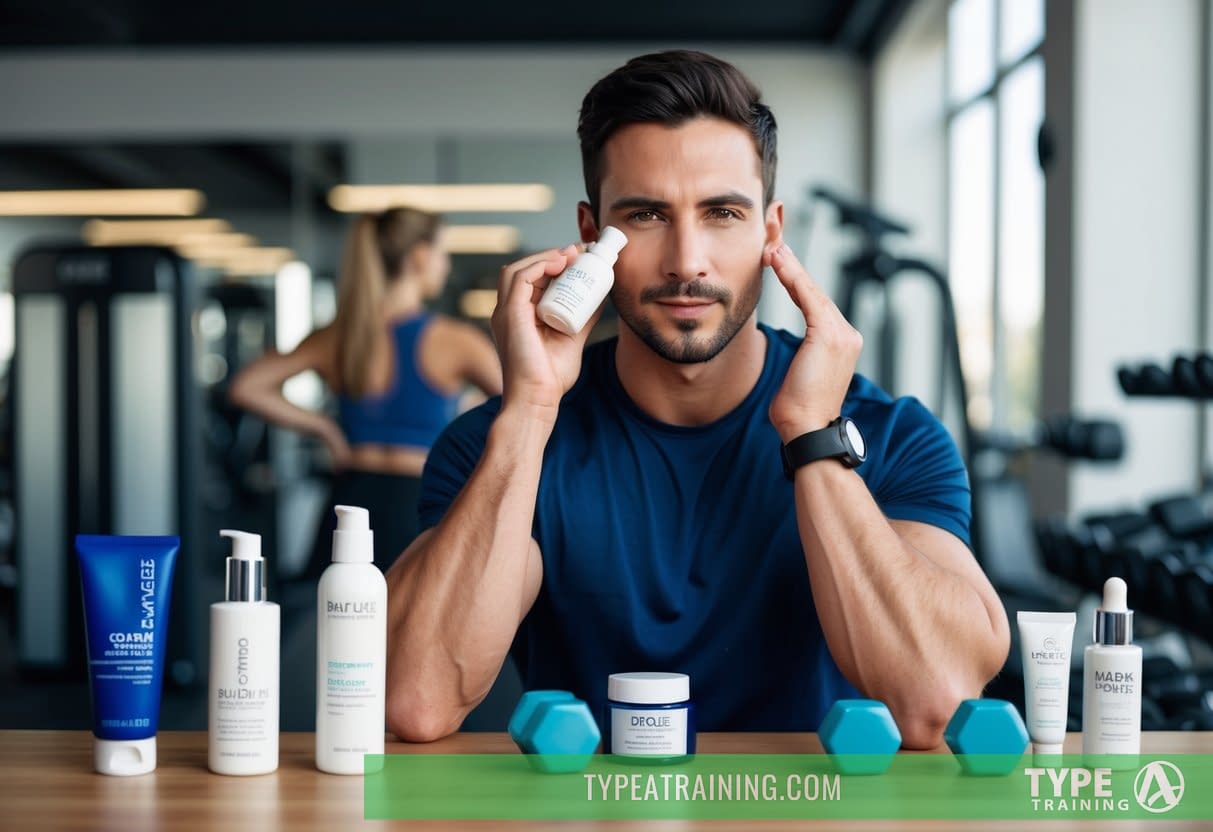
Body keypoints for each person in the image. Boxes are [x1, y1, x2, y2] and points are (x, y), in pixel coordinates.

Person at [384, 51, 1010, 748]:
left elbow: (934, 700)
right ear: (591, 235)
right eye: (647, 215)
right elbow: (415, 699)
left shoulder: (891, 437)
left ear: (770, 232)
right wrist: (528, 412)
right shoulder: (497, 447)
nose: (687, 260)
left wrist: (808, 432)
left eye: (721, 212)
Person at [229, 207, 502, 574]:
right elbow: (526, 406)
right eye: (443, 253)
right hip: (419, 504)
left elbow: (247, 387)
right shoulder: (455, 341)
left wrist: (324, 427)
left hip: (350, 504)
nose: (445, 266)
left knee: (334, 625)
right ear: (420, 256)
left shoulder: (340, 337)